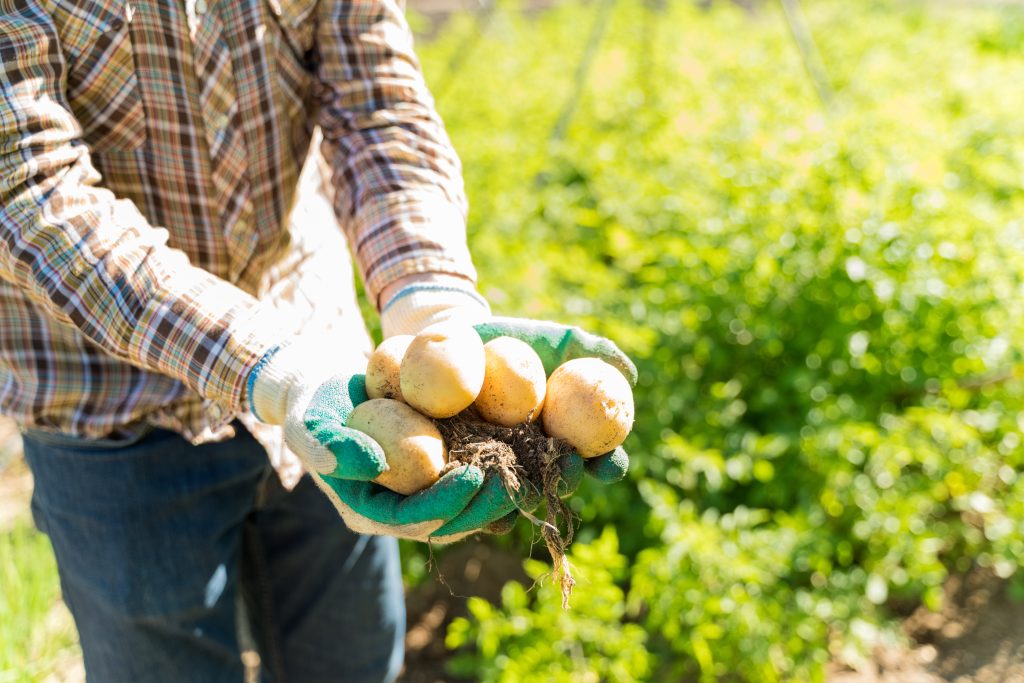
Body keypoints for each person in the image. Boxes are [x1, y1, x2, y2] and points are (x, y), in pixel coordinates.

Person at [0, 1, 635, 681]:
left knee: (353, 661)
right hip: (111, 404)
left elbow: (376, 104)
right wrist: (273, 368)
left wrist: (431, 302)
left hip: (331, 379)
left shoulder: (354, 400)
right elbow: (31, 189)